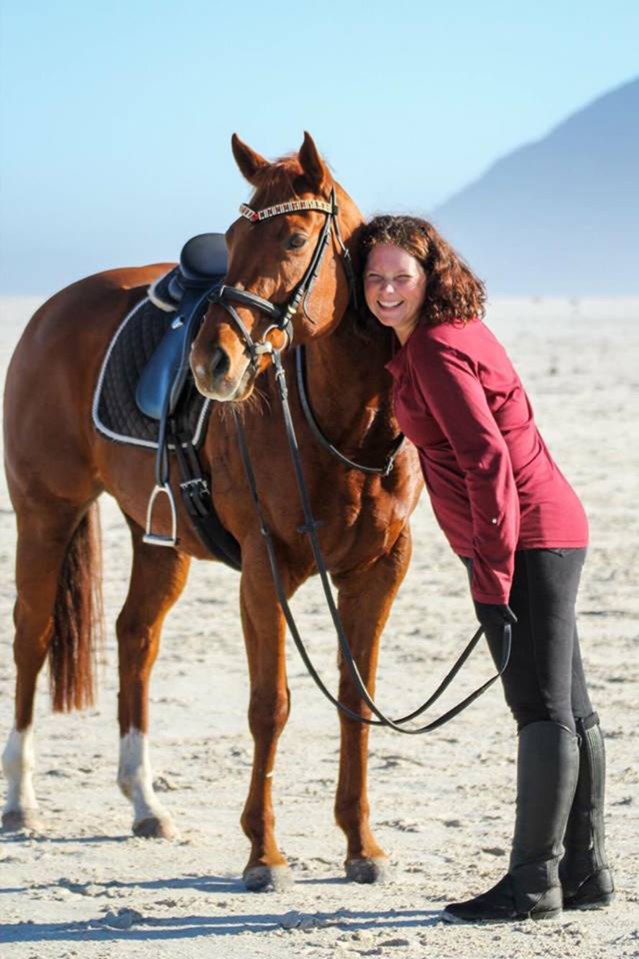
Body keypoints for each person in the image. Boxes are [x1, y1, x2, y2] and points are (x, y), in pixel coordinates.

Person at [360, 215, 614, 923]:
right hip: (548, 527)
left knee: (538, 710)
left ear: (428, 275)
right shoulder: (445, 333)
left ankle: (532, 884)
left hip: (525, 538)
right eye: (374, 277)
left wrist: (490, 573)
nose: (385, 290)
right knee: (568, 705)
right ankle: (585, 871)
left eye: (398, 277)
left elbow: (485, 461)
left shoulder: (437, 349)